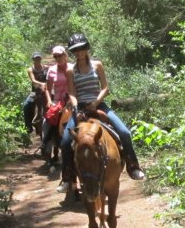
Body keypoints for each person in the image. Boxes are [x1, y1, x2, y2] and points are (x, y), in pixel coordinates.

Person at [57, 33, 145, 195]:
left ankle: (133, 166)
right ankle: (68, 177)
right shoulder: (71, 70)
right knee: (65, 141)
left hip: (99, 105)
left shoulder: (97, 65)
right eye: (75, 50)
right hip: (80, 107)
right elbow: (72, 92)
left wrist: (95, 103)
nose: (79, 52)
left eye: (82, 49)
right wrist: (76, 107)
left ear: (86, 49)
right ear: (72, 52)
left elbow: (105, 88)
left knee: (124, 132)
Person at [40, 44, 71, 161]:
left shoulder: (72, 68)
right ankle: (46, 148)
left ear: (65, 55)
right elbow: (48, 88)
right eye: (56, 56)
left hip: (71, 100)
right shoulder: (51, 70)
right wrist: (49, 101)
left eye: (60, 55)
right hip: (57, 101)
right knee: (46, 122)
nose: (58, 58)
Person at [22, 51, 49, 134]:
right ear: (33, 59)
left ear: (41, 58)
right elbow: (33, 80)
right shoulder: (30, 69)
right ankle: (28, 126)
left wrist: (46, 85)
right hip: (35, 92)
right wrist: (41, 84)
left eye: (39, 58)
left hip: (45, 91)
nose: (37, 60)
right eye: (36, 58)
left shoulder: (46, 68)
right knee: (26, 105)